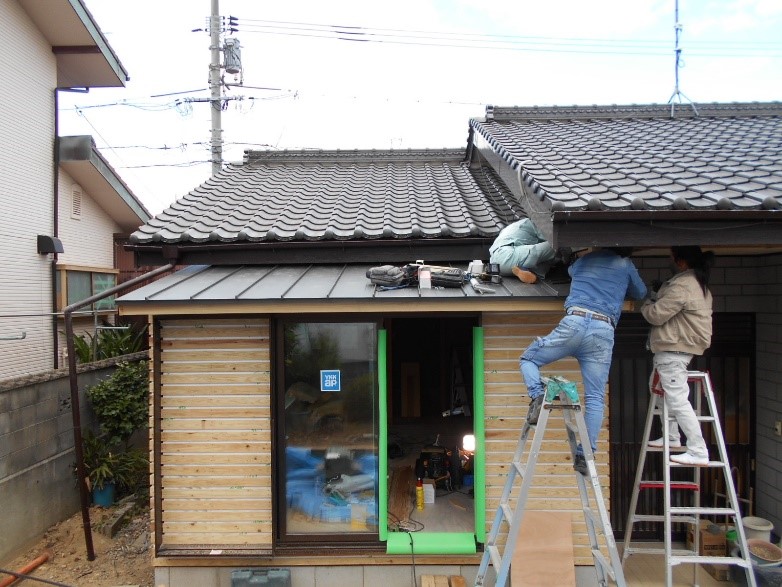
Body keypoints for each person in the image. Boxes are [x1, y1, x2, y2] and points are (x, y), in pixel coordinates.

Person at [520, 248, 647, 474]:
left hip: (575, 322)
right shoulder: (624, 264)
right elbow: (640, 292)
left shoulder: (582, 261)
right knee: (595, 398)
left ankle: (537, 395)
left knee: (529, 359)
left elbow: (570, 271)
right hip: (603, 330)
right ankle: (584, 456)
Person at [641, 246, 714, 466]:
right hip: (677, 348)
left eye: (671, 258)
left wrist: (648, 300)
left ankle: (698, 450)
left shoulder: (682, 285)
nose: (669, 261)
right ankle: (672, 436)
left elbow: (656, 315)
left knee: (678, 399)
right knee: (662, 392)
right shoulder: (698, 284)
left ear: (681, 262)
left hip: (674, 349)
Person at [489, 218, 557, 284]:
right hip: (506, 255)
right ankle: (526, 269)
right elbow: (553, 239)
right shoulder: (540, 223)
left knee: (539, 257)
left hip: (495, 265)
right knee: (556, 245)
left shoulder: (521, 224)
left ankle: (524, 269)